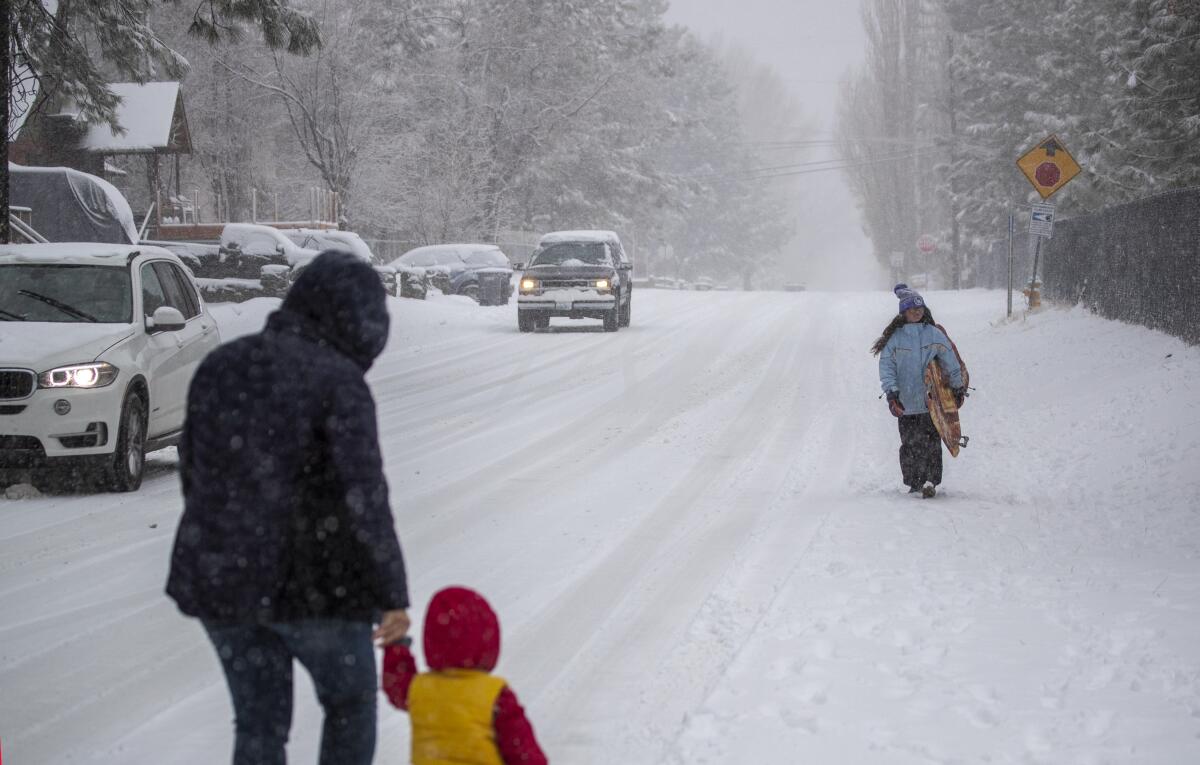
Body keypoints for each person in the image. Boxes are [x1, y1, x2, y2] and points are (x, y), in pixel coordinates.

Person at [166, 251, 411, 765]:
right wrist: (392, 595)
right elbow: (365, 495)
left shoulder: (223, 364)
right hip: (318, 587)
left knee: (259, 724)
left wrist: (226, 545)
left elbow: (195, 473)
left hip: (225, 588)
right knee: (348, 704)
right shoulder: (339, 383)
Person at [382, 586, 547, 765]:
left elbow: (396, 683)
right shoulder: (495, 696)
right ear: (488, 642)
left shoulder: (419, 689)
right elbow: (523, 752)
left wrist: (396, 646)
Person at [872, 284, 966, 498]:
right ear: (903, 313)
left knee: (932, 443)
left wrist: (957, 385)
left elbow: (950, 360)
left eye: (920, 308)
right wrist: (891, 393)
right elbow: (886, 366)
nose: (917, 312)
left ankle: (931, 481)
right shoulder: (895, 339)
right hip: (905, 403)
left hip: (930, 402)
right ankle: (914, 482)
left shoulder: (932, 334)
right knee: (910, 444)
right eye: (912, 309)